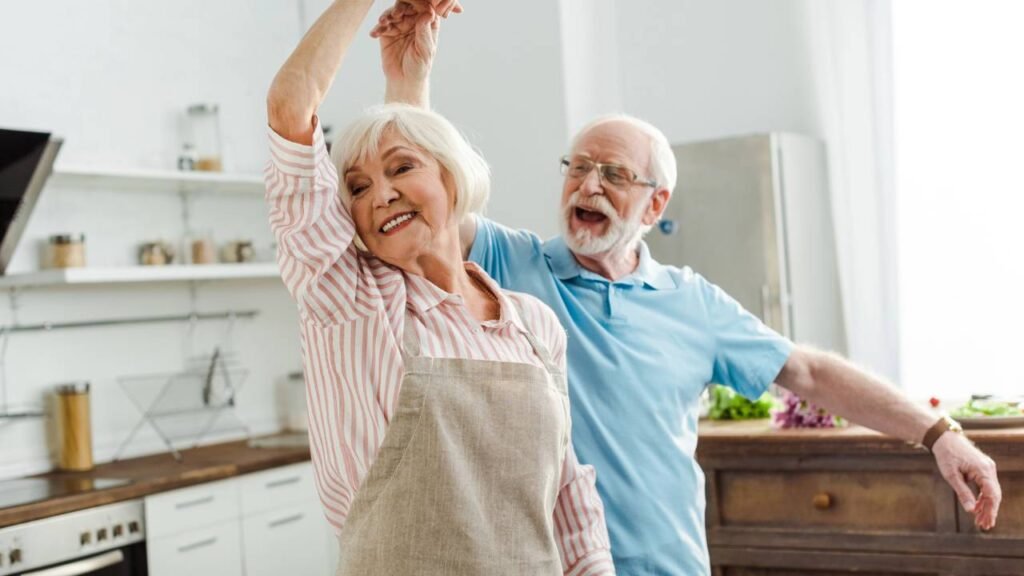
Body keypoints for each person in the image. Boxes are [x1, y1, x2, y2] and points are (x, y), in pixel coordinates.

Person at [372, 3, 1003, 574]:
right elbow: (429, 212)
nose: (589, 186)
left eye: (614, 174)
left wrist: (939, 433)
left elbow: (808, 372)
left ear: (654, 205)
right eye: (580, 168)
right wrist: (409, 82)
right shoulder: (513, 265)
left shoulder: (690, 300)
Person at [264, 1, 616, 574]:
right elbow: (290, 106)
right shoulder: (353, 302)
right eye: (356, 188)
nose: (378, 195)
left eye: (401, 169)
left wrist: (408, 79)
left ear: (453, 177)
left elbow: (568, 496)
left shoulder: (532, 325)